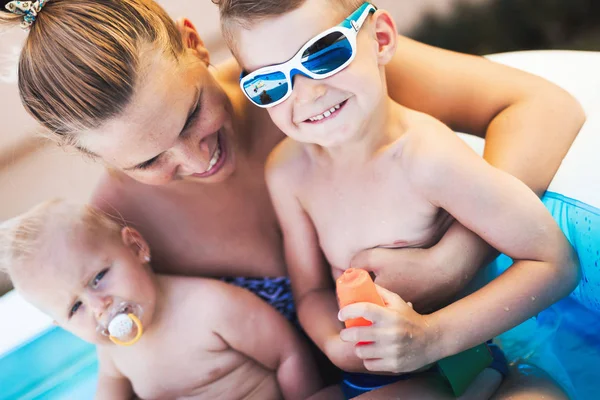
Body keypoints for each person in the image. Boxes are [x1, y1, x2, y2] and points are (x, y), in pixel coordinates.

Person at [0, 0, 585, 396]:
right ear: (93, 155)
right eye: (149, 161)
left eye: (191, 115)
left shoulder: (309, 82)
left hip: (458, 334)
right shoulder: (121, 232)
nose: (195, 158)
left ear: (194, 45)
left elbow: (543, 108)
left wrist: (457, 257)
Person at [218, 0, 580, 398]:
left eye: (325, 53)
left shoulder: (426, 158)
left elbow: (553, 263)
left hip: (465, 355)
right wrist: (335, 346)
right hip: (368, 377)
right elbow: (311, 293)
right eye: (270, 83)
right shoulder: (287, 173)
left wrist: (432, 336)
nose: (307, 94)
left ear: (382, 39)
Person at [0, 199, 337, 400]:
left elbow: (288, 353)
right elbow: (111, 390)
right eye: (75, 308)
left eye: (98, 278)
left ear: (136, 247)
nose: (98, 305)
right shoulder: (113, 350)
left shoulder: (210, 307)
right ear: (60, 326)